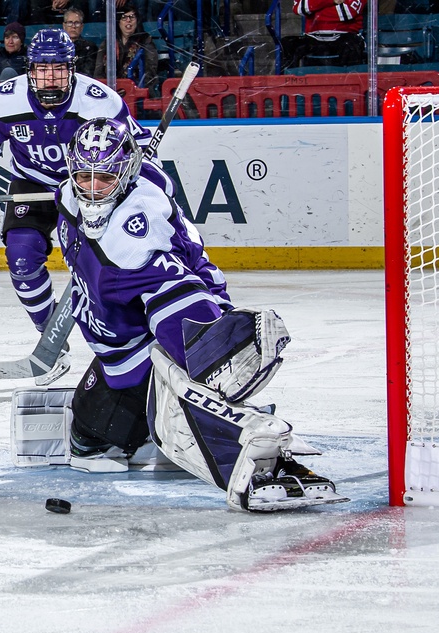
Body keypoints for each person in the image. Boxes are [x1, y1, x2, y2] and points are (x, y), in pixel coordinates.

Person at [51, 117, 346, 511]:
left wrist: (210, 340)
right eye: (83, 176)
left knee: (167, 365)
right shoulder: (74, 195)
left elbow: (182, 284)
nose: (91, 188)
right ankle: (170, 420)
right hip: (119, 349)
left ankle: (239, 445)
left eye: (104, 177)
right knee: (91, 430)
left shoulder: (137, 237)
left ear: (126, 173)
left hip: (137, 348)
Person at [0, 29, 172, 384]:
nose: (51, 77)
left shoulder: (98, 101)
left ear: (72, 68)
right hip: (33, 183)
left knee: (109, 268)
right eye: (43, 69)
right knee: (22, 259)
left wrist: (150, 169)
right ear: (29, 69)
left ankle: (139, 336)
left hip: (87, 186)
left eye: (59, 69)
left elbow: (134, 147)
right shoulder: (6, 100)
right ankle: (51, 344)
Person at [282, 0, 365, 69]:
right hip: (313, 37)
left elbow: (347, 12)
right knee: (287, 43)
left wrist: (314, 10)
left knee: (352, 46)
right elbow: (300, 8)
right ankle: (290, 84)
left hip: (345, 36)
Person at [93, 6, 158, 93]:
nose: (128, 20)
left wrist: (136, 89)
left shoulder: (145, 41)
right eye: (124, 17)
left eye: (132, 17)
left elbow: (150, 71)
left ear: (137, 21)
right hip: (111, 90)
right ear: (118, 22)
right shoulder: (108, 42)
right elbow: (98, 72)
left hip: (136, 91)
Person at [62, 7, 96, 77]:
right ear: (64, 26)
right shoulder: (57, 47)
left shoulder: (90, 47)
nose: (73, 26)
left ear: (82, 26)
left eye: (77, 23)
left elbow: (88, 73)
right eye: (70, 22)